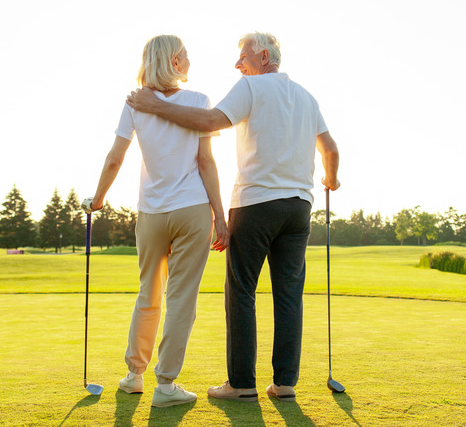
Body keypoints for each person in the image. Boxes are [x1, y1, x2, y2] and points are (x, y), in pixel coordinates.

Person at [127, 32, 340, 402]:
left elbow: (211, 121)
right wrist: (330, 179)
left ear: (263, 56)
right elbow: (330, 150)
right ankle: (284, 384)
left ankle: (241, 385)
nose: (237, 64)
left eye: (243, 56)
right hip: (298, 207)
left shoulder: (251, 87)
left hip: (255, 204)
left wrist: (154, 105)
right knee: (289, 294)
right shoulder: (307, 96)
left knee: (241, 292)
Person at [84, 34, 229, 408]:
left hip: (150, 213)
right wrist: (220, 216)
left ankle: (134, 376)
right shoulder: (198, 101)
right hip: (192, 210)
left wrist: (97, 199)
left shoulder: (134, 102)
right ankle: (166, 385)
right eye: (186, 55)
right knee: (181, 298)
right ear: (175, 62)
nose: (190, 61)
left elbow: (114, 158)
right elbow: (206, 162)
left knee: (148, 293)